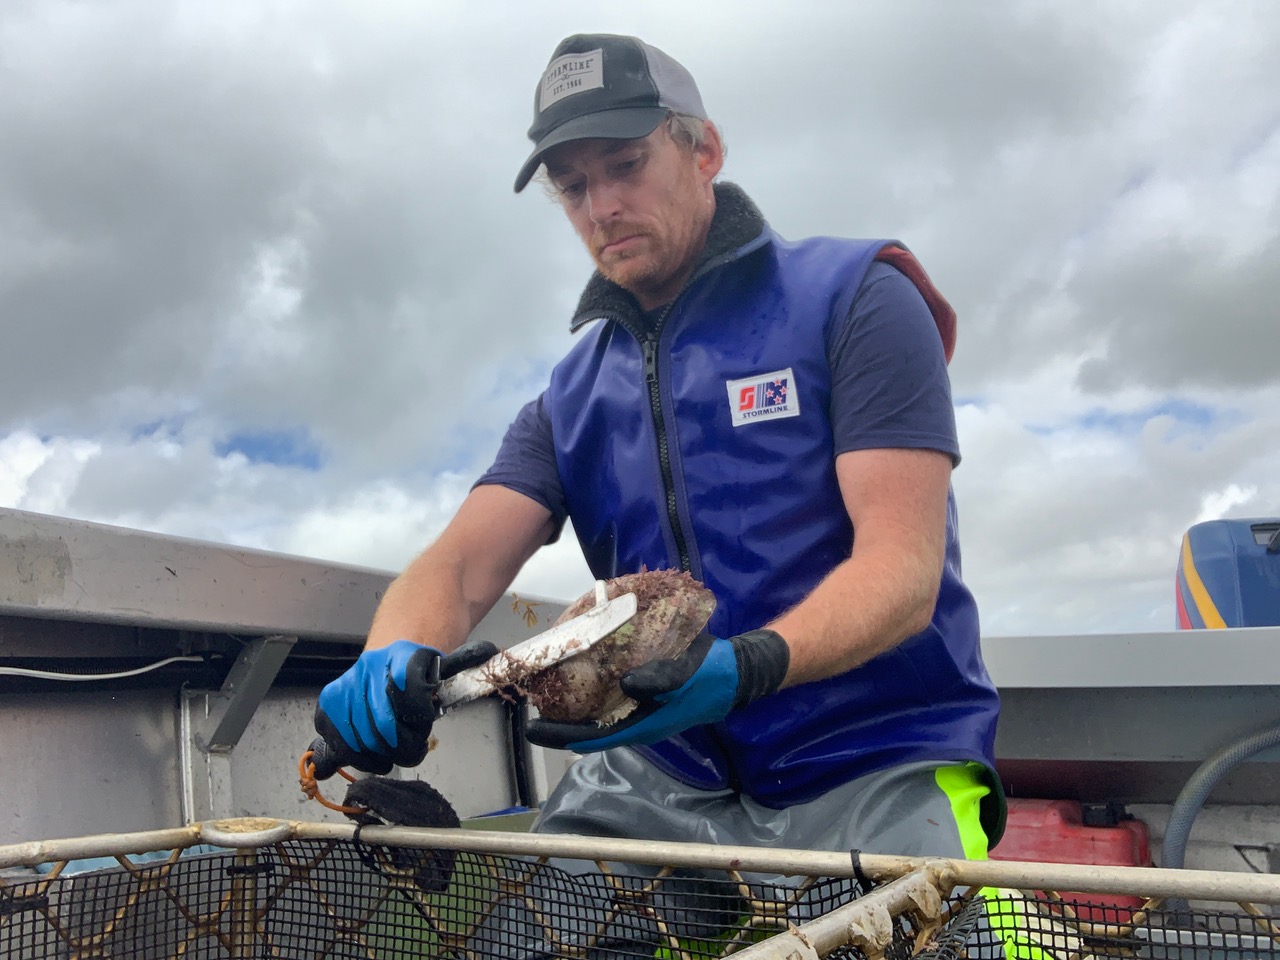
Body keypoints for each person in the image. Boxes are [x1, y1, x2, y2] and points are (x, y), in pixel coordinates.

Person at [312, 32, 1003, 882]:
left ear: (702, 149)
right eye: (573, 186)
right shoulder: (573, 395)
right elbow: (457, 566)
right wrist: (387, 654)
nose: (600, 206)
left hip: (872, 763)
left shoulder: (856, 298)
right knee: (534, 939)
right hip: (661, 770)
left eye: (625, 165)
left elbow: (903, 571)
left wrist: (749, 666)